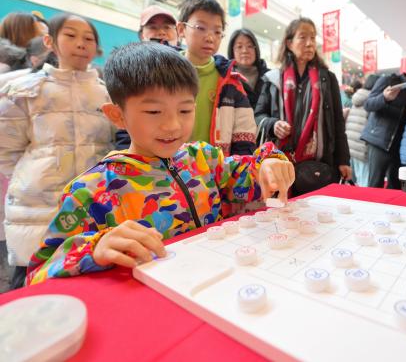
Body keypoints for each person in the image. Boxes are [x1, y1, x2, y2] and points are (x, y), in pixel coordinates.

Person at [26, 42, 293, 285]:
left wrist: (269, 164)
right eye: (154, 111)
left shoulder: (204, 159)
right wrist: (94, 249)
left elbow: (245, 177)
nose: (173, 125)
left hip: (215, 287)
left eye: (185, 110)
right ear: (117, 115)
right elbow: (36, 277)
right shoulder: (90, 192)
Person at [0, 13, 113, 289]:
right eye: (71, 35)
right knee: (29, 284)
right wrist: (32, 177)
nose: (80, 43)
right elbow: (6, 149)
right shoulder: (26, 90)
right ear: (50, 41)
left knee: (87, 279)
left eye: (88, 38)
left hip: (92, 200)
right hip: (37, 208)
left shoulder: (107, 94)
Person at [255, 17, 351, 195]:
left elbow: (338, 122)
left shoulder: (326, 79)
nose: (309, 43)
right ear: (289, 43)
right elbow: (258, 115)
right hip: (280, 164)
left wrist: (343, 159)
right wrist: (273, 124)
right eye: (303, 37)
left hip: (318, 167)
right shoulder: (274, 79)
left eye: (313, 38)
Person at [176, 0, 257, 155]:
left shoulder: (232, 83)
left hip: (214, 174)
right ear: (181, 29)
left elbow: (245, 137)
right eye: (200, 28)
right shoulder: (162, 73)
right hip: (166, 170)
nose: (210, 37)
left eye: (217, 31)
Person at [361, 61, 406, 189]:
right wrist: (385, 97)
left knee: (397, 184)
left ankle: (392, 208)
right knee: (375, 183)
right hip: (380, 142)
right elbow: (368, 105)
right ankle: (372, 207)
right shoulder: (389, 80)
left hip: (401, 146)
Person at [345, 74, 378, 186]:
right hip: (362, 145)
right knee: (365, 182)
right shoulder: (372, 101)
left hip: (351, 144)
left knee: (357, 179)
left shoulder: (357, 98)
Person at [227, 28, 269, 110]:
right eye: (239, 46)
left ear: (256, 49)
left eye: (249, 46)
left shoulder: (270, 77)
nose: (245, 51)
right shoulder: (227, 78)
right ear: (232, 51)